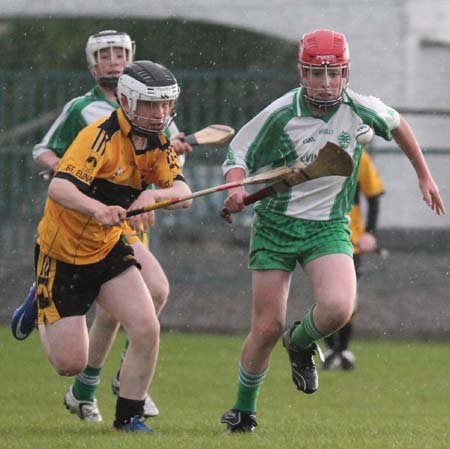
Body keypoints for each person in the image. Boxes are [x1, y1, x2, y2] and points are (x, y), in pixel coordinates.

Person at [219, 28, 445, 433]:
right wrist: (236, 186)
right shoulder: (280, 113)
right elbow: (239, 151)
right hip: (275, 226)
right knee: (266, 327)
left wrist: (424, 175)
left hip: (329, 227)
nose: (326, 84)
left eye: (334, 74)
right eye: (316, 74)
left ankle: (301, 342)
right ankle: (243, 409)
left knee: (340, 307)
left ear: (346, 73)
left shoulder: (360, 109)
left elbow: (398, 125)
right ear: (302, 74)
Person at [11, 31, 192, 423]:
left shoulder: (158, 141)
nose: (159, 115)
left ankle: (128, 417)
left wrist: (153, 197)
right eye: (149, 105)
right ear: (127, 102)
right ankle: (42, 305)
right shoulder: (97, 136)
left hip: (109, 247)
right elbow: (59, 185)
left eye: (164, 106)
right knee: (69, 364)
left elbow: (183, 190)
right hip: (63, 254)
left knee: (146, 326)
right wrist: (96, 208)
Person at [322, 150, 384, 371]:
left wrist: (369, 233)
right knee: (327, 298)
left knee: (348, 298)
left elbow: (374, 195)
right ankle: (332, 349)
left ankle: (341, 349)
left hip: (350, 239)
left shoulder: (361, 158)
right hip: (320, 237)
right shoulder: (317, 153)